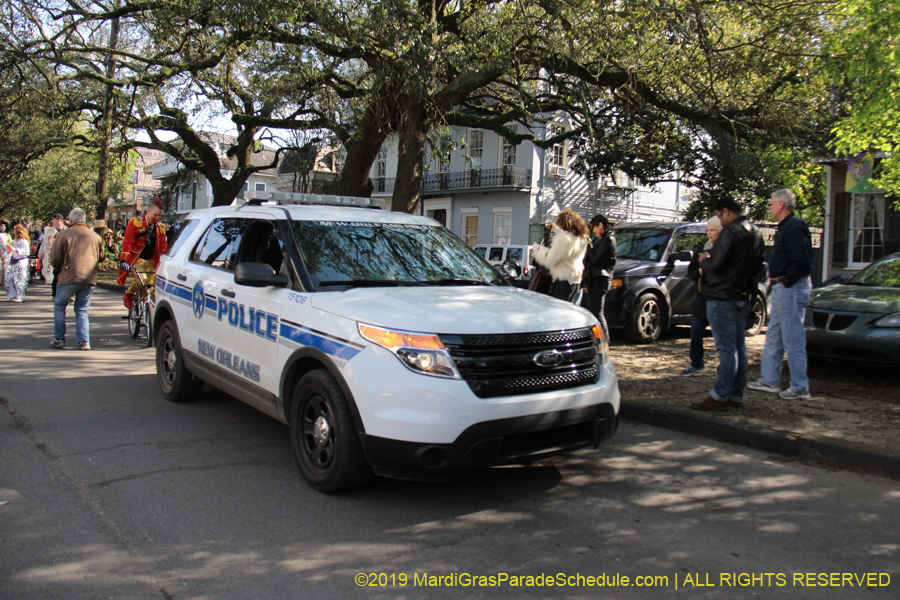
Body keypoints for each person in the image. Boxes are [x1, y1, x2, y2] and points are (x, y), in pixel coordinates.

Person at [690, 197, 765, 411]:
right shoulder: (756, 231)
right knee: (739, 347)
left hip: (722, 295)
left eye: (719, 216)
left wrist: (704, 259)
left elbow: (716, 262)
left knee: (727, 348)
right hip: (743, 294)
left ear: (725, 212)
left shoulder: (731, 231)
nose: (719, 223)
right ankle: (735, 394)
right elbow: (758, 263)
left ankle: (720, 394)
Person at [748, 188, 814, 400]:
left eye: (771, 203)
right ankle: (770, 380)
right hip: (782, 288)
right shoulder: (786, 226)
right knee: (774, 336)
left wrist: (786, 282)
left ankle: (799, 387)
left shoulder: (794, 226)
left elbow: (802, 262)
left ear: (781, 204)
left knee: (792, 338)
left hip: (791, 289)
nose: (769, 206)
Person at [49, 207, 103, 350]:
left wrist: (59, 269)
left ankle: (59, 339)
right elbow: (101, 256)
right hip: (88, 278)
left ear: (71, 220)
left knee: (60, 306)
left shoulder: (64, 235)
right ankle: (84, 341)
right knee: (82, 309)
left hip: (68, 275)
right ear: (84, 220)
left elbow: (54, 258)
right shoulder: (95, 237)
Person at [680, 216, 723, 376]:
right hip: (702, 297)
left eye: (712, 230)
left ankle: (724, 365)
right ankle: (696, 363)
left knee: (720, 336)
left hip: (718, 297)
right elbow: (691, 270)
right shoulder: (701, 248)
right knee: (696, 331)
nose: (709, 233)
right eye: (708, 230)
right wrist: (697, 273)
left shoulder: (724, 248)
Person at [117, 199, 167, 309]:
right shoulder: (136, 222)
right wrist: (124, 260)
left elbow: (163, 246)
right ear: (148, 211)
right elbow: (128, 241)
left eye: (159, 216)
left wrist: (166, 260)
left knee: (151, 285)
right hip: (137, 259)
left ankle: (147, 312)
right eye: (155, 215)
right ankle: (129, 294)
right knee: (141, 281)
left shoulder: (160, 227)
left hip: (151, 260)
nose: (157, 218)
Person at [531, 208, 589, 302]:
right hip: (575, 280)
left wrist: (537, 250)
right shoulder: (581, 238)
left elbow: (551, 259)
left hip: (563, 280)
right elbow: (565, 248)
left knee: (559, 311)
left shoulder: (564, 238)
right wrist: (555, 229)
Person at [581, 214, 616, 336]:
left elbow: (596, 259)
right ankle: (600, 340)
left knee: (597, 313)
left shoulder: (608, 239)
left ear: (600, 225)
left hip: (600, 279)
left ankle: (604, 340)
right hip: (597, 278)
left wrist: (588, 247)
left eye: (593, 227)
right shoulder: (604, 238)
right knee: (595, 312)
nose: (593, 230)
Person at [4, 224, 31, 302]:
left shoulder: (24, 241)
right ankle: (11, 294)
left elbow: (27, 252)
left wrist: (16, 250)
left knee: (19, 279)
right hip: (13, 261)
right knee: (7, 278)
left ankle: (20, 296)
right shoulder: (14, 240)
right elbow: (12, 250)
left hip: (21, 261)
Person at [41, 214, 64, 289]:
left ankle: (68, 294)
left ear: (58, 220)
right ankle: (55, 294)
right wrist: (41, 251)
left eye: (53, 219)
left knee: (65, 275)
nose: (51, 221)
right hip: (54, 255)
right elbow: (44, 241)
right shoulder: (49, 231)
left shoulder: (67, 230)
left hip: (64, 255)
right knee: (55, 273)